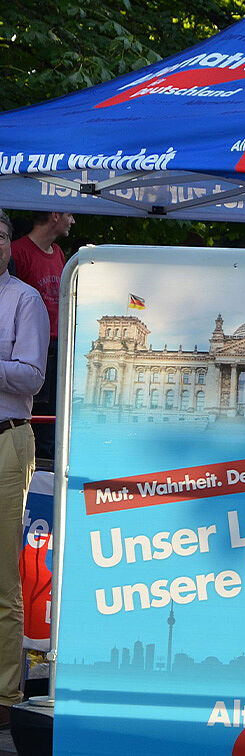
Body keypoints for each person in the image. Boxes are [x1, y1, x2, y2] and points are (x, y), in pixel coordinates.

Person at [0, 209, 48, 729]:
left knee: (1, 577)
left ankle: (5, 695)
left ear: (9, 246)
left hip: (5, 442)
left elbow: (31, 377)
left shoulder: (24, 300)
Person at [11, 211, 73, 461]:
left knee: (54, 417)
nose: (73, 221)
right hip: (31, 349)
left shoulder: (58, 252)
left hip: (58, 346)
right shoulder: (18, 251)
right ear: (55, 215)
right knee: (36, 416)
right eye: (70, 215)